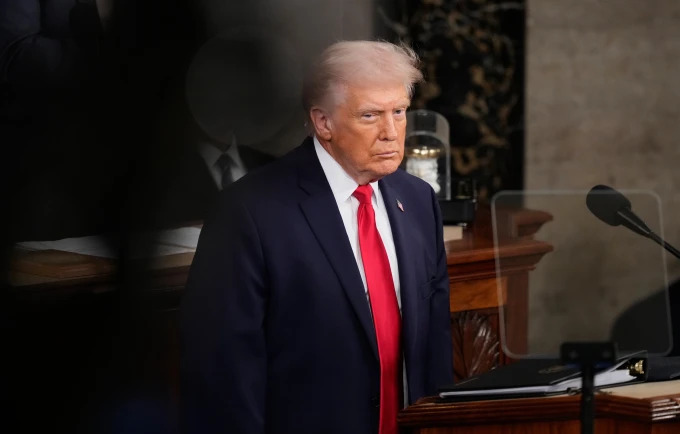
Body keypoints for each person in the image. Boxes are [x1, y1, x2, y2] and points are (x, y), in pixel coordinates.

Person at [180, 40, 454, 434]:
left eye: (399, 112)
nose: (391, 133)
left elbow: (435, 348)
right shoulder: (249, 211)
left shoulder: (418, 199)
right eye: (370, 115)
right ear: (323, 122)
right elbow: (223, 374)